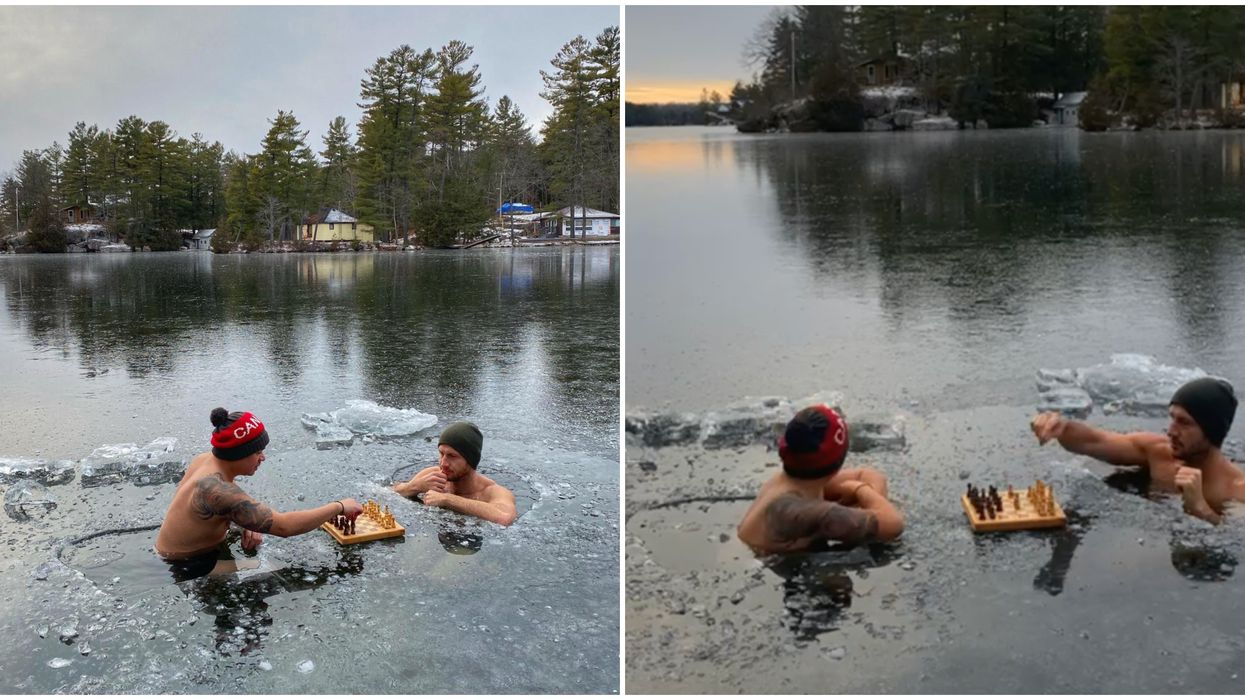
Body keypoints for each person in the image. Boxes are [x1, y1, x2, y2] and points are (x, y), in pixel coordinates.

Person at [155, 408, 363, 576]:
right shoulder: (218, 491)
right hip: (187, 564)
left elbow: (221, 508)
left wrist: (244, 520)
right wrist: (339, 506)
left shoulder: (205, 460)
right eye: (257, 452)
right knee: (275, 568)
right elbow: (284, 527)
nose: (262, 458)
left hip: (176, 548)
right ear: (239, 454)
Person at [1031, 377, 1245, 524]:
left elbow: (1236, 542)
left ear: (1211, 429)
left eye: (1184, 422)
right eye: (1172, 418)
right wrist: (1062, 428)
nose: (1171, 431)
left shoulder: (1237, 489)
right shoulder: (1158, 451)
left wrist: (1201, 508)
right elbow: (1094, 441)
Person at [737, 404, 905, 554]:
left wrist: (865, 504)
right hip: (764, 564)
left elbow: (870, 475)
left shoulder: (793, 481)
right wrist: (859, 491)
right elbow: (893, 524)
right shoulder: (811, 513)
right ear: (839, 460)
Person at [392, 421, 517, 526]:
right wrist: (415, 486)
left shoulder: (492, 491)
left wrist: (447, 499)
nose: (443, 463)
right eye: (441, 453)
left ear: (470, 459)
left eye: (452, 456)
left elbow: (504, 517)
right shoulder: (431, 475)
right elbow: (391, 492)